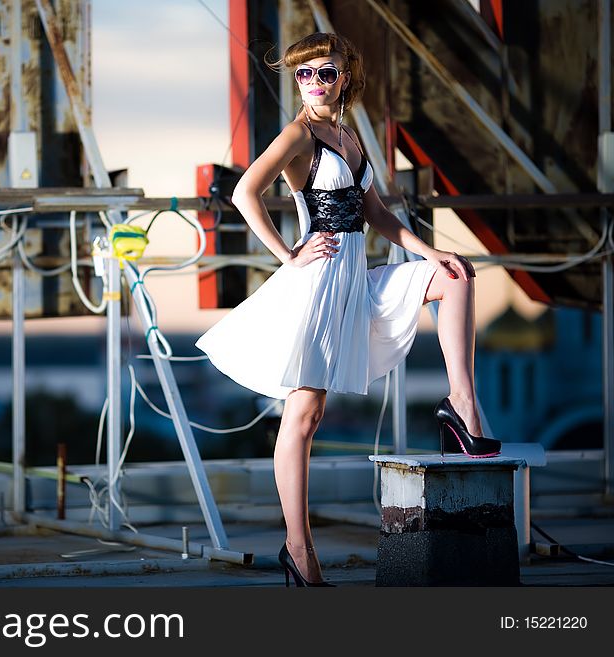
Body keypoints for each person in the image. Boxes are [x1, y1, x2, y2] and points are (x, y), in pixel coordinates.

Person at [195, 32, 501, 587]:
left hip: (354, 282)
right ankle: (299, 549)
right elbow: (244, 193)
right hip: (316, 286)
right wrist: (288, 254)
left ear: (346, 77)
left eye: (324, 72)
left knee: (454, 278)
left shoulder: (348, 134)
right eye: (303, 74)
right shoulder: (299, 134)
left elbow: (377, 213)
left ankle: (461, 409)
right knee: (305, 415)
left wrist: (433, 251)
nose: (312, 82)